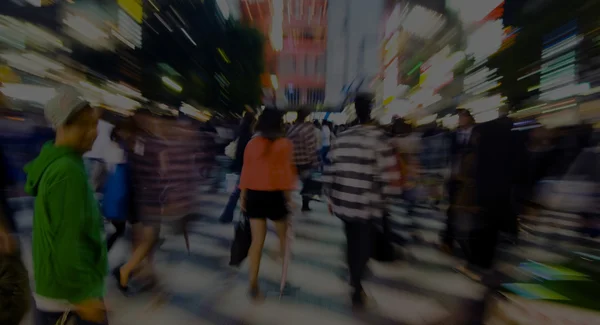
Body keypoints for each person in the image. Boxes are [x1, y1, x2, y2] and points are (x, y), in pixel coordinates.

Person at [24, 87, 108, 324]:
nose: (93, 132)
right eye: (83, 125)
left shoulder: (65, 163)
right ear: (62, 127)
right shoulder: (66, 171)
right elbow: (66, 241)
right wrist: (82, 298)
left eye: (94, 124)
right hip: (68, 302)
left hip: (63, 295)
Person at [322, 93, 399, 309]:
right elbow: (388, 175)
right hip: (367, 203)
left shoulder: (343, 137)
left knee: (351, 238)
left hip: (344, 202)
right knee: (363, 242)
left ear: (355, 110)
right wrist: (386, 199)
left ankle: (354, 274)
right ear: (371, 110)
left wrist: (329, 196)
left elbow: (330, 169)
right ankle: (356, 284)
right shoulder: (378, 138)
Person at [238, 107, 296, 300]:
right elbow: (286, 175)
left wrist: (243, 196)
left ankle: (253, 284)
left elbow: (246, 171)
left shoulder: (252, 144)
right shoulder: (285, 144)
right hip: (276, 196)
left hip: (255, 195)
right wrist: (289, 199)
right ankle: (282, 271)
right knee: (283, 237)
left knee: (257, 242)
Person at [441, 109, 475, 254]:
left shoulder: (477, 134)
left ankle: (464, 240)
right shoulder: (453, 135)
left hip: (470, 179)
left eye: (463, 117)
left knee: (467, 211)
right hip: (454, 178)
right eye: (459, 117)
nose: (460, 120)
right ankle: (448, 240)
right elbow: (448, 155)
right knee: (452, 209)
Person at [219, 111, 256, 223]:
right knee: (243, 193)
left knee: (238, 192)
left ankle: (227, 215)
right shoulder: (250, 136)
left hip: (240, 166)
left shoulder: (240, 133)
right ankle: (238, 216)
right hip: (248, 168)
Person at [287, 108, 318, 212]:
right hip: (305, 161)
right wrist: (314, 161)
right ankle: (305, 205)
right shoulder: (308, 128)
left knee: (290, 184)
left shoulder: (291, 128)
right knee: (307, 184)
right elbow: (311, 146)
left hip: (293, 161)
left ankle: (286, 202)